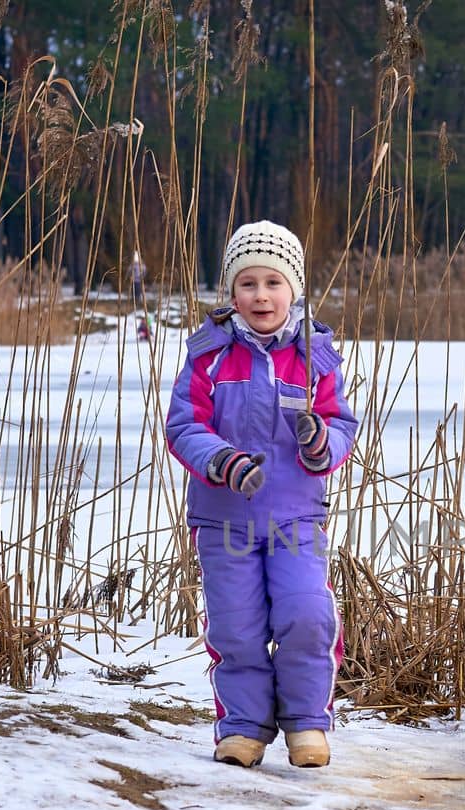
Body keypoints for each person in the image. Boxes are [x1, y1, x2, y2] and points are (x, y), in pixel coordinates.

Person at [164, 221, 358, 769]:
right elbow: (183, 426)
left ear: (293, 289)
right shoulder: (209, 357)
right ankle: (244, 727)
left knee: (307, 614)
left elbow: (341, 424)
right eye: (247, 284)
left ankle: (306, 723)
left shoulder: (314, 358)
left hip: (296, 516)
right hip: (223, 519)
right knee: (235, 625)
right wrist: (221, 461)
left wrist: (320, 442)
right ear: (232, 292)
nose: (261, 295)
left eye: (273, 282)